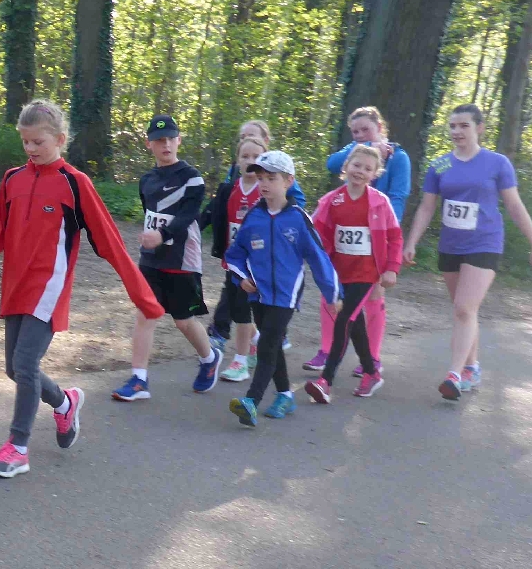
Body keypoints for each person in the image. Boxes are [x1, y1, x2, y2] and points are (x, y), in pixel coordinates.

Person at [0, 101, 163, 479]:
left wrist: (144, 297)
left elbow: (110, 242)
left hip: (49, 286)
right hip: (15, 284)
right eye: (26, 142)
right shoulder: (12, 178)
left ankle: (17, 447)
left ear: (60, 140)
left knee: (25, 364)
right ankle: (64, 403)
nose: (31, 149)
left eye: (39, 142)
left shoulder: (74, 182)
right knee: (14, 369)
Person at [404, 103, 532, 400]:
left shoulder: (497, 163)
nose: (457, 131)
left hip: (485, 242)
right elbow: (426, 207)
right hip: (451, 245)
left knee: (464, 308)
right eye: (452, 126)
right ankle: (472, 366)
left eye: (463, 125)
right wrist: (411, 242)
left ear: (479, 128)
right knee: (465, 311)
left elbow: (514, 206)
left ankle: (454, 373)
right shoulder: (440, 166)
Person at [224, 150, 341, 427]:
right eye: (260, 177)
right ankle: (286, 395)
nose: (264, 184)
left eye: (271, 178)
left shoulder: (298, 219)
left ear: (288, 181)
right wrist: (240, 279)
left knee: (266, 345)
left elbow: (318, 257)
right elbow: (235, 255)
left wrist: (333, 293)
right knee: (272, 346)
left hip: (286, 296)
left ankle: (251, 401)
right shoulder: (253, 217)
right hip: (258, 294)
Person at [112, 115, 221, 401]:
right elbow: (150, 211)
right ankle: (139, 380)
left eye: (171, 139)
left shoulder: (192, 177)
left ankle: (209, 357)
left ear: (179, 141)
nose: (166, 144)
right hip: (151, 259)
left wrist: (163, 235)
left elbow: (189, 215)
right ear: (150, 144)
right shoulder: (146, 180)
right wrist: (153, 239)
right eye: (160, 140)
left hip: (182, 259)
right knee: (145, 314)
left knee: (183, 321)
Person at [305, 106, 411, 375]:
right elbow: (333, 163)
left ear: (380, 127)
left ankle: (372, 358)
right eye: (355, 132)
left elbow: (398, 194)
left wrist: (385, 227)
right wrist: (364, 144)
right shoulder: (353, 155)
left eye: (367, 129)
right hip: (345, 239)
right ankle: (326, 350)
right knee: (332, 295)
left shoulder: (398, 157)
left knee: (373, 297)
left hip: (377, 233)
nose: (361, 135)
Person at [206, 135, 268, 383]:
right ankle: (260, 343)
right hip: (233, 261)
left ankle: (241, 361)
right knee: (238, 309)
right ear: (237, 160)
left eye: (256, 157)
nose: (250, 161)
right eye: (245, 156)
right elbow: (218, 219)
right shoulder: (229, 190)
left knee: (244, 312)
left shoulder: (265, 192)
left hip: (257, 265)